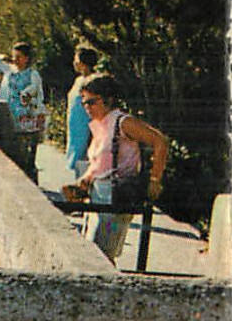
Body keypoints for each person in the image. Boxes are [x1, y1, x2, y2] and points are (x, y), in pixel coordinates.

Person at [66, 75, 169, 263]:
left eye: (91, 102)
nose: (87, 108)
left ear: (108, 99)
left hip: (117, 195)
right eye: (84, 103)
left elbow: (159, 141)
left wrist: (155, 179)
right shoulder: (100, 125)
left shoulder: (122, 122)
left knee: (102, 257)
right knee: (93, 253)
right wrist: (84, 181)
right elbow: (100, 163)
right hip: (98, 196)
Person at [0, 42, 45, 181]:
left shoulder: (33, 74)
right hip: (8, 111)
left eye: (19, 57)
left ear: (27, 58)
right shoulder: (9, 69)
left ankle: (29, 176)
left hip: (25, 115)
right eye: (14, 56)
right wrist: (6, 57)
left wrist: (28, 94)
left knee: (26, 149)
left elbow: (36, 90)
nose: (16, 60)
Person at [64, 46, 100, 180]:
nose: (75, 63)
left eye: (77, 60)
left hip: (87, 128)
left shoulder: (92, 81)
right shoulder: (78, 80)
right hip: (75, 128)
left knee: (87, 162)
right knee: (77, 162)